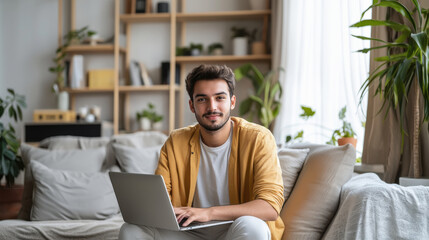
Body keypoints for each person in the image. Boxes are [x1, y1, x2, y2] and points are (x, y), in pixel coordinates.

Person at [119, 64, 284, 240]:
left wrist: (209, 212)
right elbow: (162, 201)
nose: (212, 107)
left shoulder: (258, 138)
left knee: (254, 228)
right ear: (192, 105)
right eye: (202, 99)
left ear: (232, 102)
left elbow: (270, 207)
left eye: (220, 98)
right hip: (190, 232)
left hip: (235, 229)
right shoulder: (175, 142)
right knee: (130, 230)